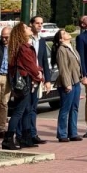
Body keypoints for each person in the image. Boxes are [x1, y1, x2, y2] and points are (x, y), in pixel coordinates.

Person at [2, 22, 44, 151]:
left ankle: (25, 138)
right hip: (24, 82)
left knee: (26, 110)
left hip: (25, 81)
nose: (29, 28)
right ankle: (8, 139)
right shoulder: (23, 47)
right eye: (26, 28)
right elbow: (30, 65)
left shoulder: (20, 46)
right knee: (19, 111)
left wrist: (37, 71)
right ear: (21, 32)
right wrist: (39, 74)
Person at [24, 16, 52, 145]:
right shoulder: (25, 39)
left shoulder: (41, 41)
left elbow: (44, 61)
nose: (40, 25)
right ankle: (23, 134)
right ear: (31, 24)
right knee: (25, 107)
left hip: (37, 78)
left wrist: (47, 80)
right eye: (37, 23)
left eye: (41, 23)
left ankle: (33, 133)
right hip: (26, 78)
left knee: (34, 107)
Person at [52, 29, 83, 142]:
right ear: (61, 39)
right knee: (65, 108)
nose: (67, 33)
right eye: (64, 33)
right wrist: (67, 83)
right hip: (67, 82)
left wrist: (81, 76)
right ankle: (62, 134)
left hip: (76, 81)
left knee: (74, 107)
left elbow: (77, 64)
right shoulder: (61, 50)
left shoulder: (71, 47)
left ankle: (73, 132)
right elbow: (63, 68)